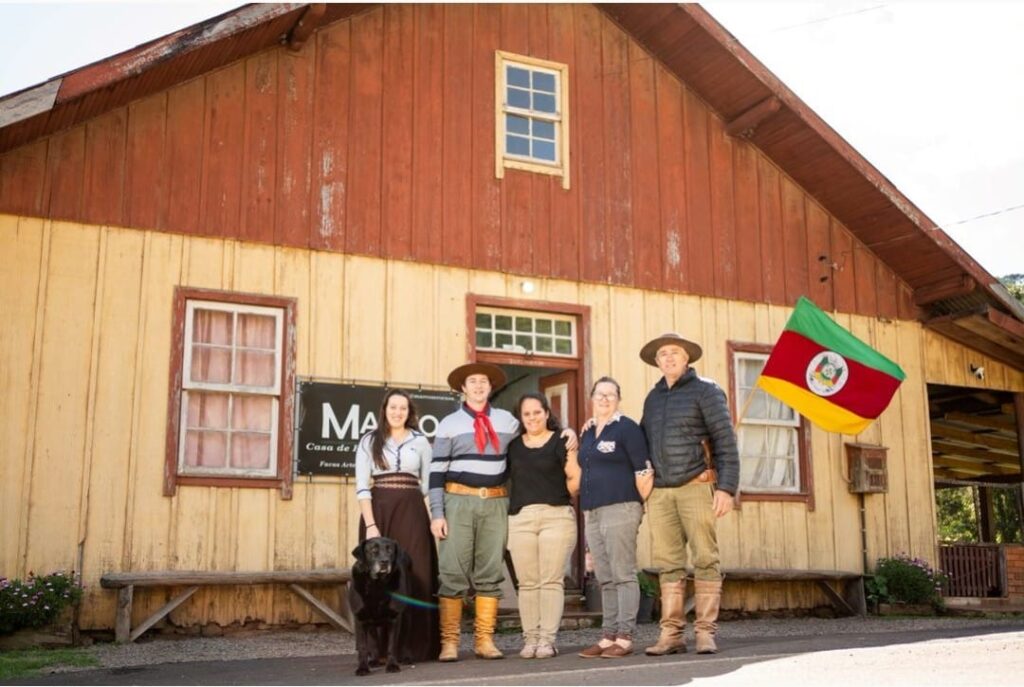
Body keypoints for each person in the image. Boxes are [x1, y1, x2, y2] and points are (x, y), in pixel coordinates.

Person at [639, 333, 739, 656]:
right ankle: (671, 635)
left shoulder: (706, 391)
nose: (668, 358)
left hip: (697, 487)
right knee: (668, 564)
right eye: (663, 354)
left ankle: (706, 632)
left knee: (706, 558)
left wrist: (725, 488)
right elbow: (640, 439)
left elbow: (725, 441)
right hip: (661, 494)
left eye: (675, 353)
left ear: (687, 359)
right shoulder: (652, 398)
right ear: (657, 361)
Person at [354, 388, 440, 664]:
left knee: (418, 574)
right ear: (385, 409)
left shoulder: (422, 442)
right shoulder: (369, 440)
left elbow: (428, 486)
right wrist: (370, 525)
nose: (398, 412)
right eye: (393, 407)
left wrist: (436, 516)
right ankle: (378, 651)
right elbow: (362, 487)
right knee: (377, 579)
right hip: (379, 510)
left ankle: (416, 648)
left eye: (403, 408)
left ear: (409, 411)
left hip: (413, 511)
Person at [576, 376, 653, 659]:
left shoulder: (627, 428)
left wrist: (637, 507)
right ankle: (608, 637)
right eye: (600, 394)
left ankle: (625, 636)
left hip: (621, 507)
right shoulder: (588, 431)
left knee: (623, 574)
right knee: (604, 577)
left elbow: (644, 471)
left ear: (618, 399)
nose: (605, 399)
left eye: (611, 394)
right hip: (592, 510)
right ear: (592, 397)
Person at [506, 392, 581, 659]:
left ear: (547, 413)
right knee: (527, 583)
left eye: (537, 412)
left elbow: (574, 481)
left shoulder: (561, 441)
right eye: (526, 414)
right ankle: (530, 639)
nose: (532, 418)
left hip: (556, 516)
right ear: (521, 418)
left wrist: (572, 443)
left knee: (550, 581)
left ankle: (547, 640)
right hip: (521, 519)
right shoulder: (513, 446)